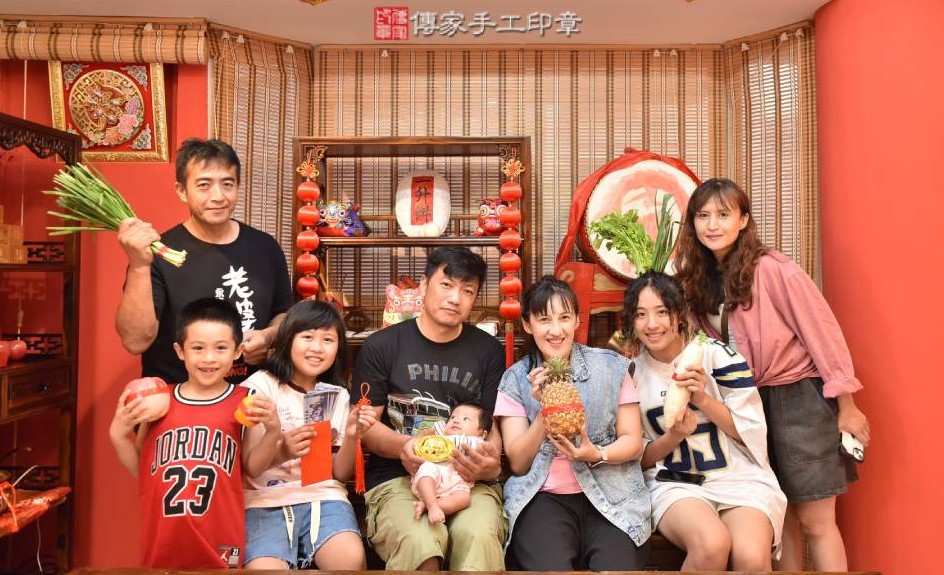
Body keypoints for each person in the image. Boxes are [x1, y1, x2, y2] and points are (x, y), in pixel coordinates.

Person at [673, 177, 870, 571]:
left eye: (723, 215)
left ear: (744, 220)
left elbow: (822, 333)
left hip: (798, 399)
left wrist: (847, 405)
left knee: (816, 522)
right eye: (703, 216)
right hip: (745, 402)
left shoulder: (775, 269)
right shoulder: (696, 279)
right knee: (777, 517)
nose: (712, 225)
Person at [354, 246, 507, 571]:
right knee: (420, 543)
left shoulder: (488, 351)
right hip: (398, 478)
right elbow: (366, 428)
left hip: (468, 481)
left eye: (468, 291)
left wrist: (490, 463)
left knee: (478, 535)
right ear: (424, 285)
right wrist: (405, 446)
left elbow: (491, 426)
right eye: (446, 285)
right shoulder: (381, 346)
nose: (455, 298)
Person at [622, 271, 786, 571]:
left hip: (738, 477)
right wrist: (673, 436)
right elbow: (639, 459)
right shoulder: (630, 374)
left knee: (751, 557)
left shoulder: (719, 357)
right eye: (641, 314)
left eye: (662, 312)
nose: (652, 324)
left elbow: (750, 433)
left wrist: (702, 399)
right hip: (675, 482)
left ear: (680, 313)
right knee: (712, 544)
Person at [496, 275, 651, 571]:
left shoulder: (612, 367)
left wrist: (597, 454)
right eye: (544, 319)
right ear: (527, 324)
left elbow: (633, 442)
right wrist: (546, 410)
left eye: (564, 318)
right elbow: (518, 462)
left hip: (611, 494)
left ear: (578, 320)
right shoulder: (515, 379)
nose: (556, 330)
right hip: (543, 499)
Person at [115, 138, 293, 384]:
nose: (218, 196)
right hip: (176, 397)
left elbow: (284, 313)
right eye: (204, 185)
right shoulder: (160, 252)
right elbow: (135, 342)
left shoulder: (265, 247)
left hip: (248, 397)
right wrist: (138, 265)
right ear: (181, 191)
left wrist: (268, 336)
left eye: (227, 184)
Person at [108, 298, 249, 569]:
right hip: (163, 541)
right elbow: (142, 469)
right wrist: (117, 434)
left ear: (237, 350)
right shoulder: (158, 400)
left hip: (221, 540)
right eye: (198, 348)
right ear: (180, 351)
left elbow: (253, 467)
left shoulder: (244, 401)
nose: (208, 358)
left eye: (220, 348)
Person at [239, 299, 377, 569]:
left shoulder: (337, 395)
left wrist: (352, 435)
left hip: (324, 497)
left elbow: (340, 473)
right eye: (307, 337)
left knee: (349, 559)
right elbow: (251, 468)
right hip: (264, 500)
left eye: (328, 339)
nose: (317, 348)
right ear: (288, 339)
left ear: (338, 348)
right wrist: (283, 450)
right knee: (263, 569)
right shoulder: (260, 387)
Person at [411, 402, 490, 525]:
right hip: (432, 478)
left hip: (456, 485)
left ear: (482, 434)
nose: (456, 420)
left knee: (464, 499)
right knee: (427, 469)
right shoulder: (439, 435)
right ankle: (431, 504)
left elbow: (483, 450)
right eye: (453, 417)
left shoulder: (477, 442)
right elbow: (421, 442)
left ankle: (427, 506)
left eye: (465, 419)